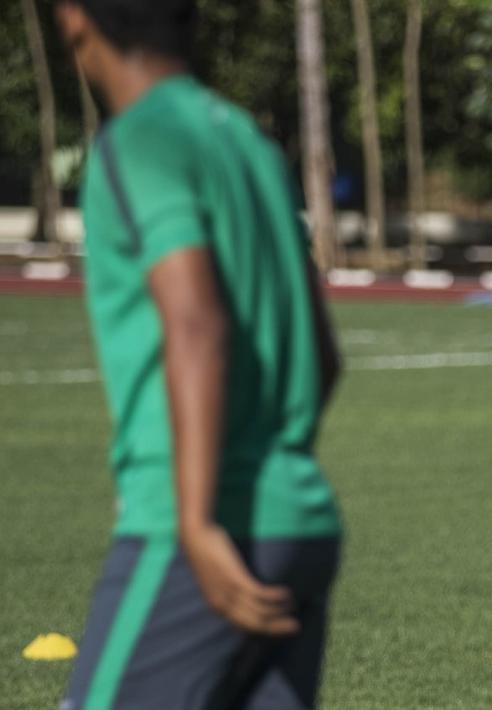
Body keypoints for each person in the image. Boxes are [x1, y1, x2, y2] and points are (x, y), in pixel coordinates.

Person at [56, 1, 343, 707]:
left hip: (195, 534)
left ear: (74, 20)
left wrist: (195, 518)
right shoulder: (247, 141)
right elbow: (324, 352)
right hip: (301, 523)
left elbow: (195, 324)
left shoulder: (137, 141)